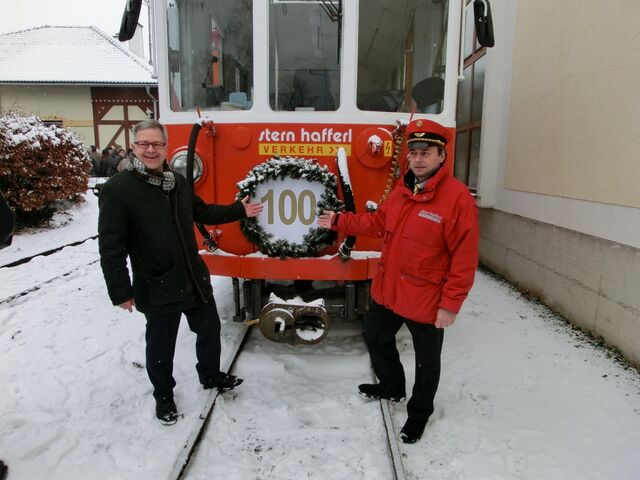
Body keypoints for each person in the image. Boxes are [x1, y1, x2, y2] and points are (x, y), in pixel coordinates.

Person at [317, 119, 479, 443]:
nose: (418, 159)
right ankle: (392, 386)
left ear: (441, 156)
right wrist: (339, 220)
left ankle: (419, 414)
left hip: (426, 297)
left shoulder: (457, 198)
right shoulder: (403, 190)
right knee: (375, 333)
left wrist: (450, 305)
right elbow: (377, 222)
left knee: (426, 361)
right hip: (390, 290)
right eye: (413, 153)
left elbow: (464, 259)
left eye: (426, 152)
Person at [98, 119, 263, 425]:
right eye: (144, 144)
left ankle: (210, 375)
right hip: (156, 281)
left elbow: (202, 212)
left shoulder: (177, 182)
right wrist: (120, 290)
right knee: (161, 345)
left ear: (165, 147)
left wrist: (239, 210)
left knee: (209, 329)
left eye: (157, 144)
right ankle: (164, 396)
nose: (150, 150)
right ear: (134, 147)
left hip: (191, 277)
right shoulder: (118, 189)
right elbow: (111, 245)